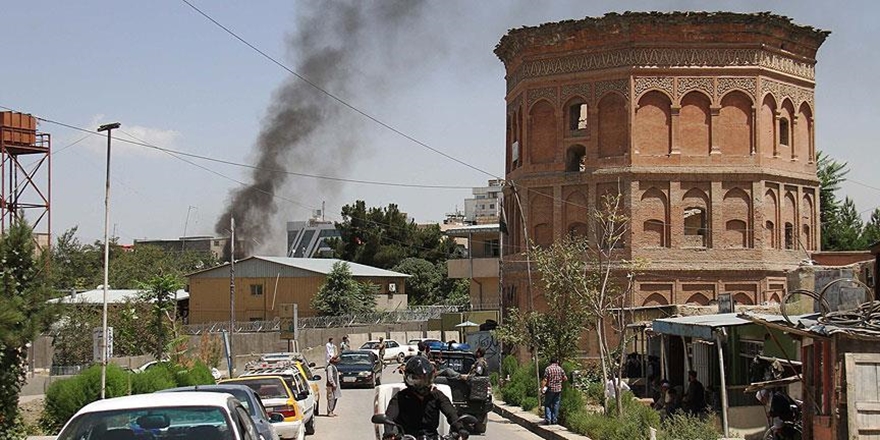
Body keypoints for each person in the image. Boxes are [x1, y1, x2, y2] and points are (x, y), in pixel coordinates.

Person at [383, 356, 469, 439]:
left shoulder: (437, 395)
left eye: (426, 380)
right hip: (407, 437)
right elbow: (389, 417)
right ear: (409, 379)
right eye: (419, 380)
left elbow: (451, 413)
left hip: (432, 437)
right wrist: (389, 433)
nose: (424, 384)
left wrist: (460, 428)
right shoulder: (401, 397)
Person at [541, 357, 567, 425]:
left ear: (550, 362)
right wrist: (559, 381)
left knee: (547, 404)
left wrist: (543, 389)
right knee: (556, 404)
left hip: (550, 389)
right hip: (558, 389)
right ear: (557, 361)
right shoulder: (560, 369)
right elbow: (565, 378)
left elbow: (545, 380)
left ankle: (548, 419)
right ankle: (554, 420)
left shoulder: (548, 369)